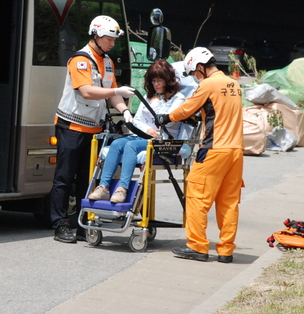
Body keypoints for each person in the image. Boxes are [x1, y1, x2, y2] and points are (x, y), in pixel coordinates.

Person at [50, 15, 135, 243]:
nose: (112, 44)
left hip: (93, 130)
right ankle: (59, 225)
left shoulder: (107, 62)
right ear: (96, 35)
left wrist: (125, 111)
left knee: (88, 180)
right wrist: (116, 93)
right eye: (109, 39)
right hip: (71, 127)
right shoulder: (80, 60)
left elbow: (113, 93)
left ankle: (82, 223)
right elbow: (86, 91)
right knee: (64, 178)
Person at [157, 47, 244, 263]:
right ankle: (225, 251)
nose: (195, 78)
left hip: (214, 149)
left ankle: (197, 246)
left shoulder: (207, 84)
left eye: (194, 74)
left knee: (196, 196)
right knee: (228, 202)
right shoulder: (233, 84)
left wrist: (166, 118)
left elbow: (186, 108)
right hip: (236, 151)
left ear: (200, 67)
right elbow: (218, 112)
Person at [88, 59, 185, 203]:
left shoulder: (178, 98)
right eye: (153, 81)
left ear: (168, 80)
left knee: (130, 146)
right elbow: (137, 120)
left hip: (163, 140)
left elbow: (168, 117)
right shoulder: (148, 97)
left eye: (160, 80)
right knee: (117, 144)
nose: (156, 84)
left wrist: (156, 105)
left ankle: (123, 189)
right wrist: (147, 128)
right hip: (143, 136)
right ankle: (104, 187)